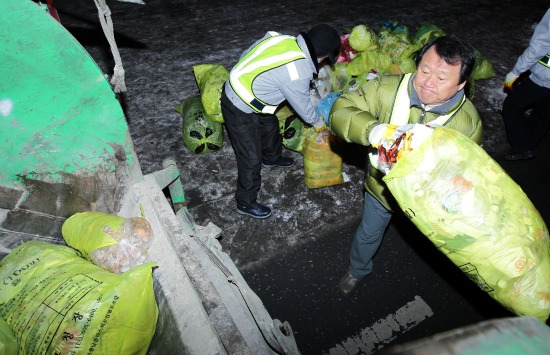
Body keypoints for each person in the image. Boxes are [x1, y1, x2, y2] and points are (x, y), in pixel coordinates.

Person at [329, 35, 483, 297]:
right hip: (382, 191)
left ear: (461, 85)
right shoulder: (387, 90)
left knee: (433, 243)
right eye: (425, 69)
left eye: (442, 78)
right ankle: (357, 270)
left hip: (426, 202)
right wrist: (374, 130)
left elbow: (468, 172)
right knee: (369, 233)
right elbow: (341, 110)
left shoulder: (468, 123)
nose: (428, 82)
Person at [221, 24, 341, 219]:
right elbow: (303, 107)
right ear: (324, 55)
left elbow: (249, 52)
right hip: (238, 104)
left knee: (270, 124)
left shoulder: (282, 38)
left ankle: (271, 157)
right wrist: (319, 124)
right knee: (250, 158)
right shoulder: (297, 72)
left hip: (247, 89)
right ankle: (245, 202)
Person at [502, 8, 550, 161]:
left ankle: (521, 146)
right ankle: (527, 144)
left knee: (511, 105)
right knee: (544, 113)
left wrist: (516, 72)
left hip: (545, 78)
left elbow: (540, 45)